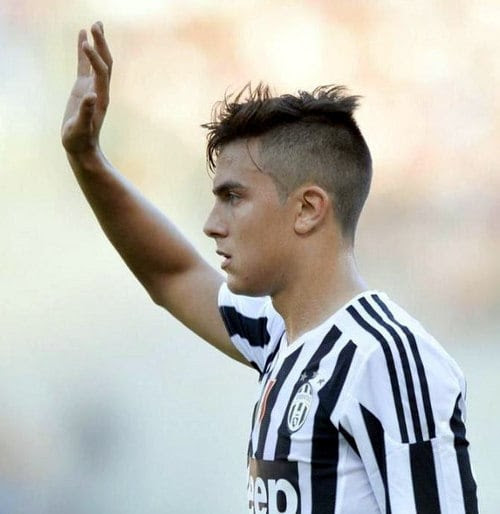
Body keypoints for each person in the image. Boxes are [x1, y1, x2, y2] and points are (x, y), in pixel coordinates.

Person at [61, 22, 478, 514]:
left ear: (307, 209)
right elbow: (171, 275)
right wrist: (86, 157)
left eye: (233, 197)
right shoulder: (278, 336)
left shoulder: (384, 357)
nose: (212, 225)